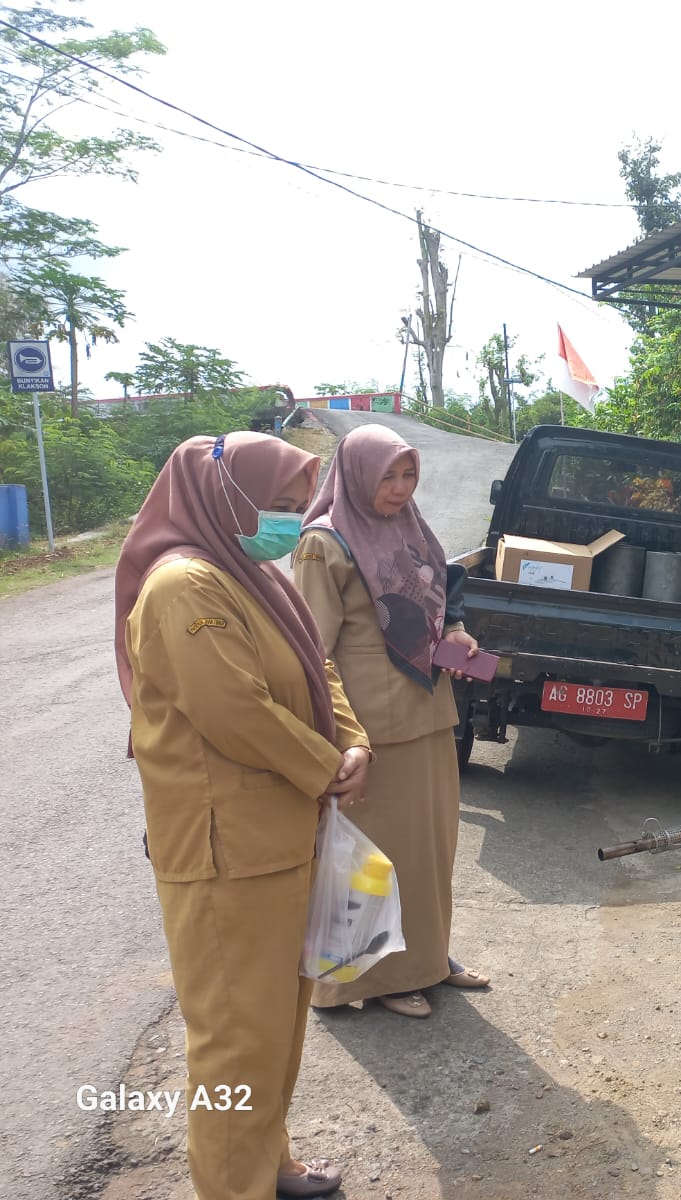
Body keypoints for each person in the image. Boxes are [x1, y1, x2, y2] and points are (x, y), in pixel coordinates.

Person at [116, 432, 372, 1200]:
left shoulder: (253, 575)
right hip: (226, 848)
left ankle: (269, 1166)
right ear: (222, 495)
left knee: (276, 1028)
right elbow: (236, 710)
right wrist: (328, 767)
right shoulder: (183, 586)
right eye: (279, 506)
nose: (290, 522)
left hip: (284, 835)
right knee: (235, 1038)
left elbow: (316, 666)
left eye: (298, 508)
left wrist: (354, 742)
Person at [293, 423, 490, 1020]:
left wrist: (455, 632)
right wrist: (339, 738)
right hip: (371, 729)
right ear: (354, 475)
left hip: (428, 714)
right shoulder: (323, 545)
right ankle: (374, 976)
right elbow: (310, 650)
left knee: (431, 850)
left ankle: (428, 957)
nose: (401, 488)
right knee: (377, 855)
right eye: (388, 476)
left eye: (409, 475)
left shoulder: (411, 530)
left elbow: (436, 604)